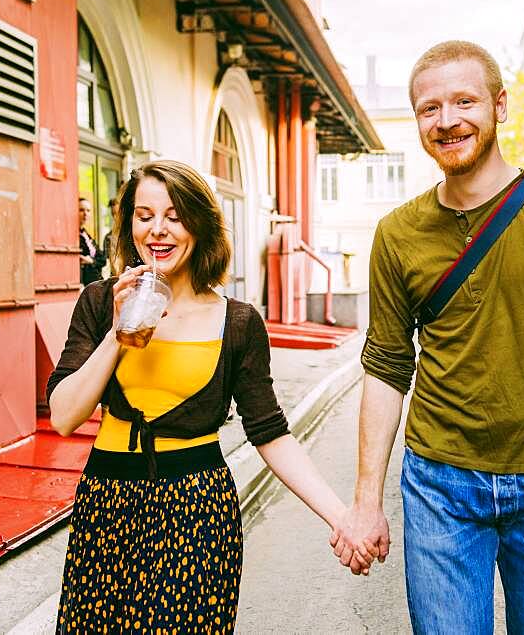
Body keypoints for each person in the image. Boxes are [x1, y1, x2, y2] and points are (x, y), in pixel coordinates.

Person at [330, 40, 524, 633]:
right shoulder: (397, 235)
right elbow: (387, 366)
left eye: (464, 101)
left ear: (499, 105)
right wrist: (366, 500)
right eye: (429, 108)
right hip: (440, 482)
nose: (447, 121)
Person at [48, 160, 346, 633]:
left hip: (198, 513)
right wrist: (118, 330)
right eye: (144, 216)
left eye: (175, 215)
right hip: (107, 508)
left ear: (200, 223)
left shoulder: (239, 322)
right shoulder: (101, 301)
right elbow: (64, 416)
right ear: (129, 225)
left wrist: (341, 517)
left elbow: (270, 433)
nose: (158, 230)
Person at [79, 197, 106, 285]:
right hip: (85, 285)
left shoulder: (86, 235)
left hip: (97, 283)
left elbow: (103, 259)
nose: (85, 214)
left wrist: (90, 260)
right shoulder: (74, 236)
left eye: (88, 210)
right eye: (81, 210)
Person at [102, 197, 119, 276]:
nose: (115, 217)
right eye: (113, 214)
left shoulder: (135, 233)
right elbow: (108, 262)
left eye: (118, 213)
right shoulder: (108, 237)